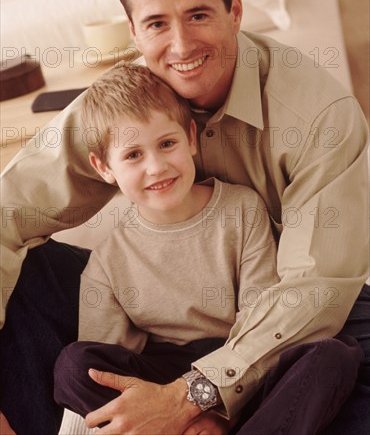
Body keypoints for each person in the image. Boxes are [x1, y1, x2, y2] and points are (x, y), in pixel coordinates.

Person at [0, 0, 369, 435]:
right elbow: (7, 211)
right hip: (165, 318)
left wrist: (195, 399)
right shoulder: (121, 105)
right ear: (133, 32)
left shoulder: (321, 116)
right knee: (27, 273)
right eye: (156, 24)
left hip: (289, 310)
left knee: (342, 362)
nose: (180, 44)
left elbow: (313, 290)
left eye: (198, 15)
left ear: (235, 11)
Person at [53, 64, 362, 435]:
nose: (157, 167)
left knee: (334, 356)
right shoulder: (107, 261)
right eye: (133, 155)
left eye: (167, 144)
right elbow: (107, 370)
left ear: (191, 138)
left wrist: (214, 410)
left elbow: (259, 315)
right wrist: (165, 405)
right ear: (104, 167)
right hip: (163, 375)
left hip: (244, 365)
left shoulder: (241, 209)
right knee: (73, 364)